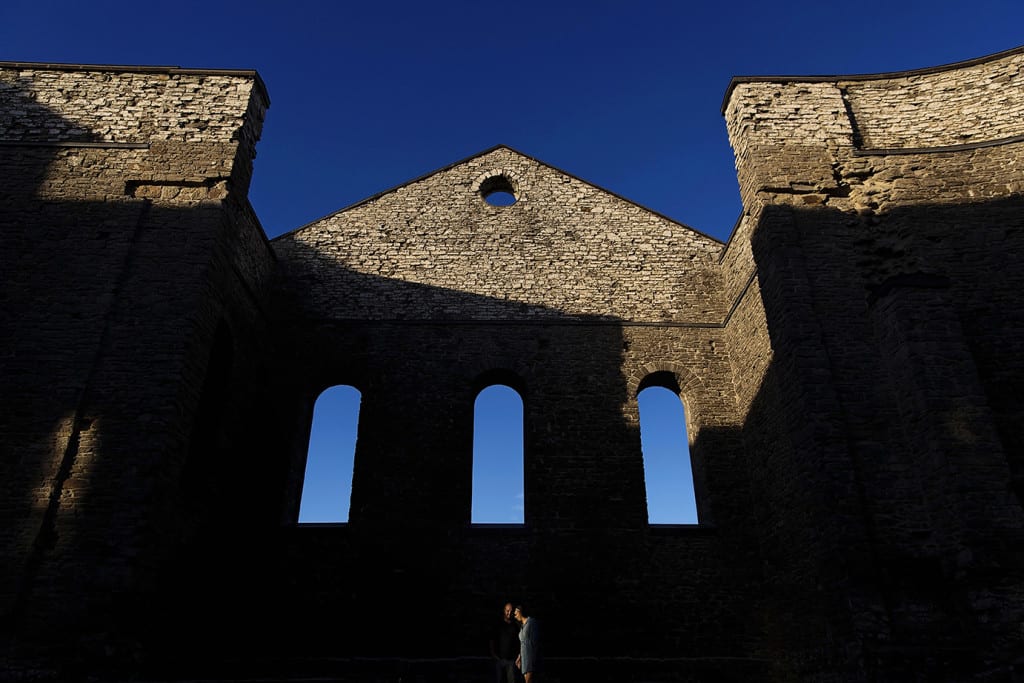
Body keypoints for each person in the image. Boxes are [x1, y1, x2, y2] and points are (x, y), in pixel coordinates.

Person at [489, 601, 523, 683]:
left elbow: (520, 641)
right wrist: (493, 654)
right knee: (499, 680)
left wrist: (518, 656)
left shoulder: (515, 626)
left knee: (511, 681)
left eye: (511, 611)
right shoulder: (498, 624)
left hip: (511, 660)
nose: (509, 613)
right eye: (507, 610)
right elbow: (492, 639)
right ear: (504, 610)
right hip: (499, 659)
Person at [513, 604, 542, 682]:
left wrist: (533, 660)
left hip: (531, 658)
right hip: (524, 659)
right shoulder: (522, 626)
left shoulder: (531, 622)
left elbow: (535, 642)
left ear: (520, 612)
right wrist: (519, 657)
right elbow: (523, 644)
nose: (514, 616)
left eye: (515, 613)